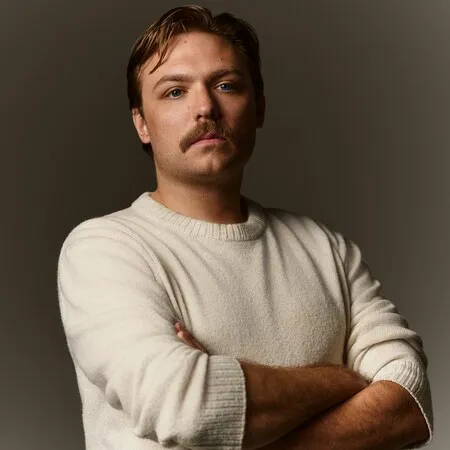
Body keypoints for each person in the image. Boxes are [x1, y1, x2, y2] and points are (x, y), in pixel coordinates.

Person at [56, 5, 433, 450]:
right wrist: (343, 380)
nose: (204, 107)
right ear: (142, 122)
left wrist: (233, 412)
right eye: (175, 92)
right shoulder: (103, 250)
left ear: (258, 108)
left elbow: (410, 404)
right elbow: (189, 409)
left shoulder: (325, 248)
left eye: (226, 85)